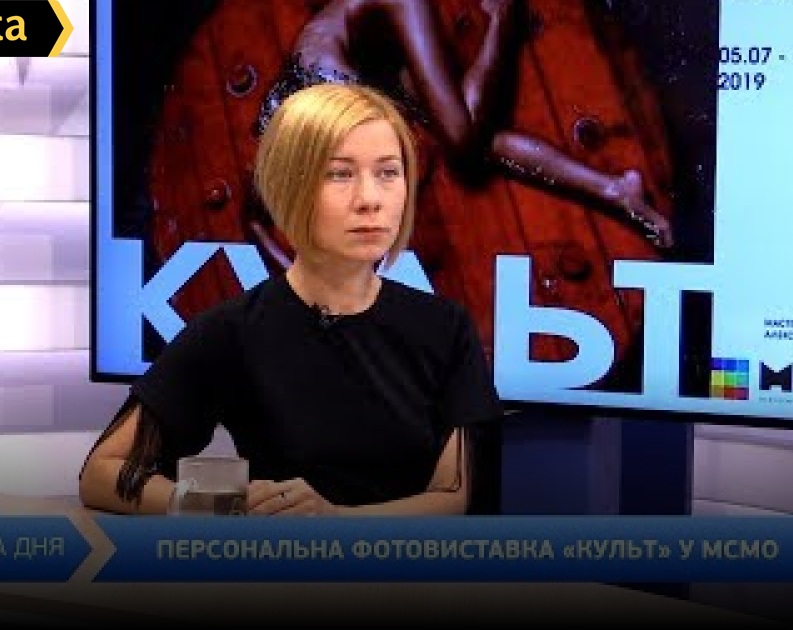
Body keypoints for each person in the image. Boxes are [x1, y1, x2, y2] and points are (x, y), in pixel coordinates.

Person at [80, 83, 504, 516]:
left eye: (388, 173)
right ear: (287, 185)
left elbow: (458, 497)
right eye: (340, 174)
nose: (370, 200)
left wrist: (337, 521)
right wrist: (221, 509)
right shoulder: (233, 331)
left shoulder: (445, 329)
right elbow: (102, 473)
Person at [252, 0, 674, 250]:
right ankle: (616, 190)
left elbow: (255, 220)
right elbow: (461, 139)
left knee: (465, 137)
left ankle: (616, 190)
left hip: (352, 77)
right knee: (466, 142)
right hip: (348, 82)